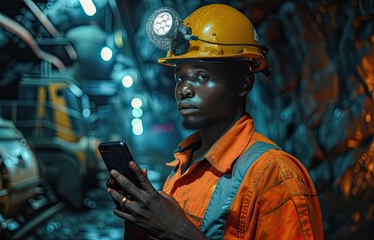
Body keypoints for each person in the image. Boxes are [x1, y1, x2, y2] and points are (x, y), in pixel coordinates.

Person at [106, 3, 324, 239]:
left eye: (201, 76)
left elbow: (174, 230)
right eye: (180, 77)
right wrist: (139, 220)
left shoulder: (274, 176)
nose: (184, 89)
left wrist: (177, 230)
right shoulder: (184, 167)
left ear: (243, 84)